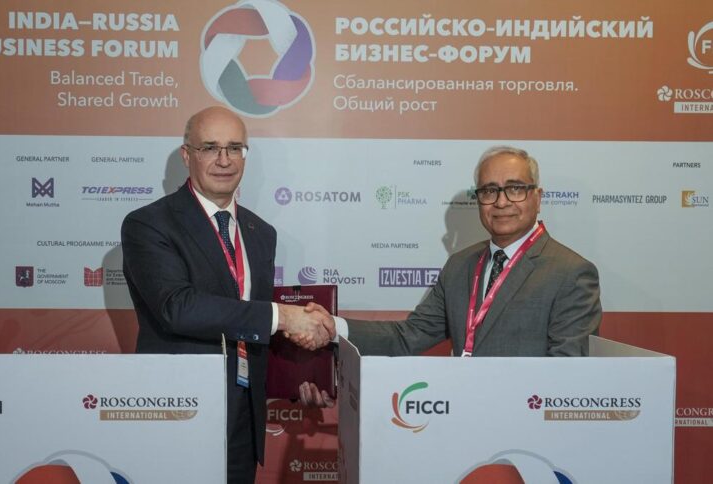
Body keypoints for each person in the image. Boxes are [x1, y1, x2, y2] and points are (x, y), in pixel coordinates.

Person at [121, 106, 334, 483]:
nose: (224, 160)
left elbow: (252, 323)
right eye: (210, 148)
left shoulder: (260, 232)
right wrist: (284, 316)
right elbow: (178, 308)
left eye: (235, 148)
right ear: (187, 155)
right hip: (177, 412)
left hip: (243, 419)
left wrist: (304, 374)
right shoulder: (149, 223)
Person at [300, 145, 602, 406]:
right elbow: (407, 337)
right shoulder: (460, 265)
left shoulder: (571, 272)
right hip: (456, 421)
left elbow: (567, 378)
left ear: (537, 196)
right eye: (489, 191)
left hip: (525, 432)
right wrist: (333, 327)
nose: (501, 202)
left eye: (515, 188)